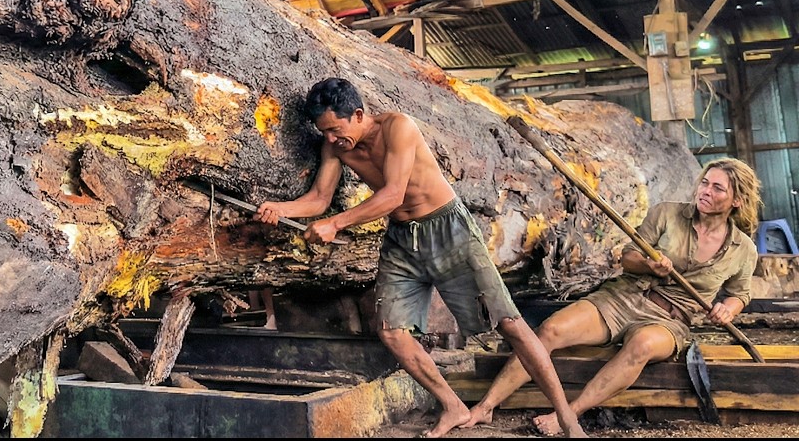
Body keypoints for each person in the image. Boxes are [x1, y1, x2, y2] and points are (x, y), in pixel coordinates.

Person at [254, 77, 585, 438]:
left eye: (334, 129)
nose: (330, 139)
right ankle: (454, 406)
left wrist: (335, 223)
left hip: (447, 230)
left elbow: (393, 194)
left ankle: (568, 419)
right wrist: (278, 208)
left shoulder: (398, 127)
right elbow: (319, 197)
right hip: (401, 240)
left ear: (359, 113)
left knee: (509, 324)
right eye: (324, 132)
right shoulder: (334, 147)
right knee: (393, 332)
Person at [462, 157, 761, 435]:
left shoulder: (743, 249)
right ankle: (485, 407)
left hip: (669, 320)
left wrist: (728, 310)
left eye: (717, 188)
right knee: (551, 329)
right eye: (705, 182)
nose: (705, 191)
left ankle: (569, 414)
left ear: (737, 200)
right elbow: (627, 257)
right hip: (623, 298)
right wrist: (648, 265)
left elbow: (739, 294)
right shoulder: (667, 213)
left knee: (642, 344)